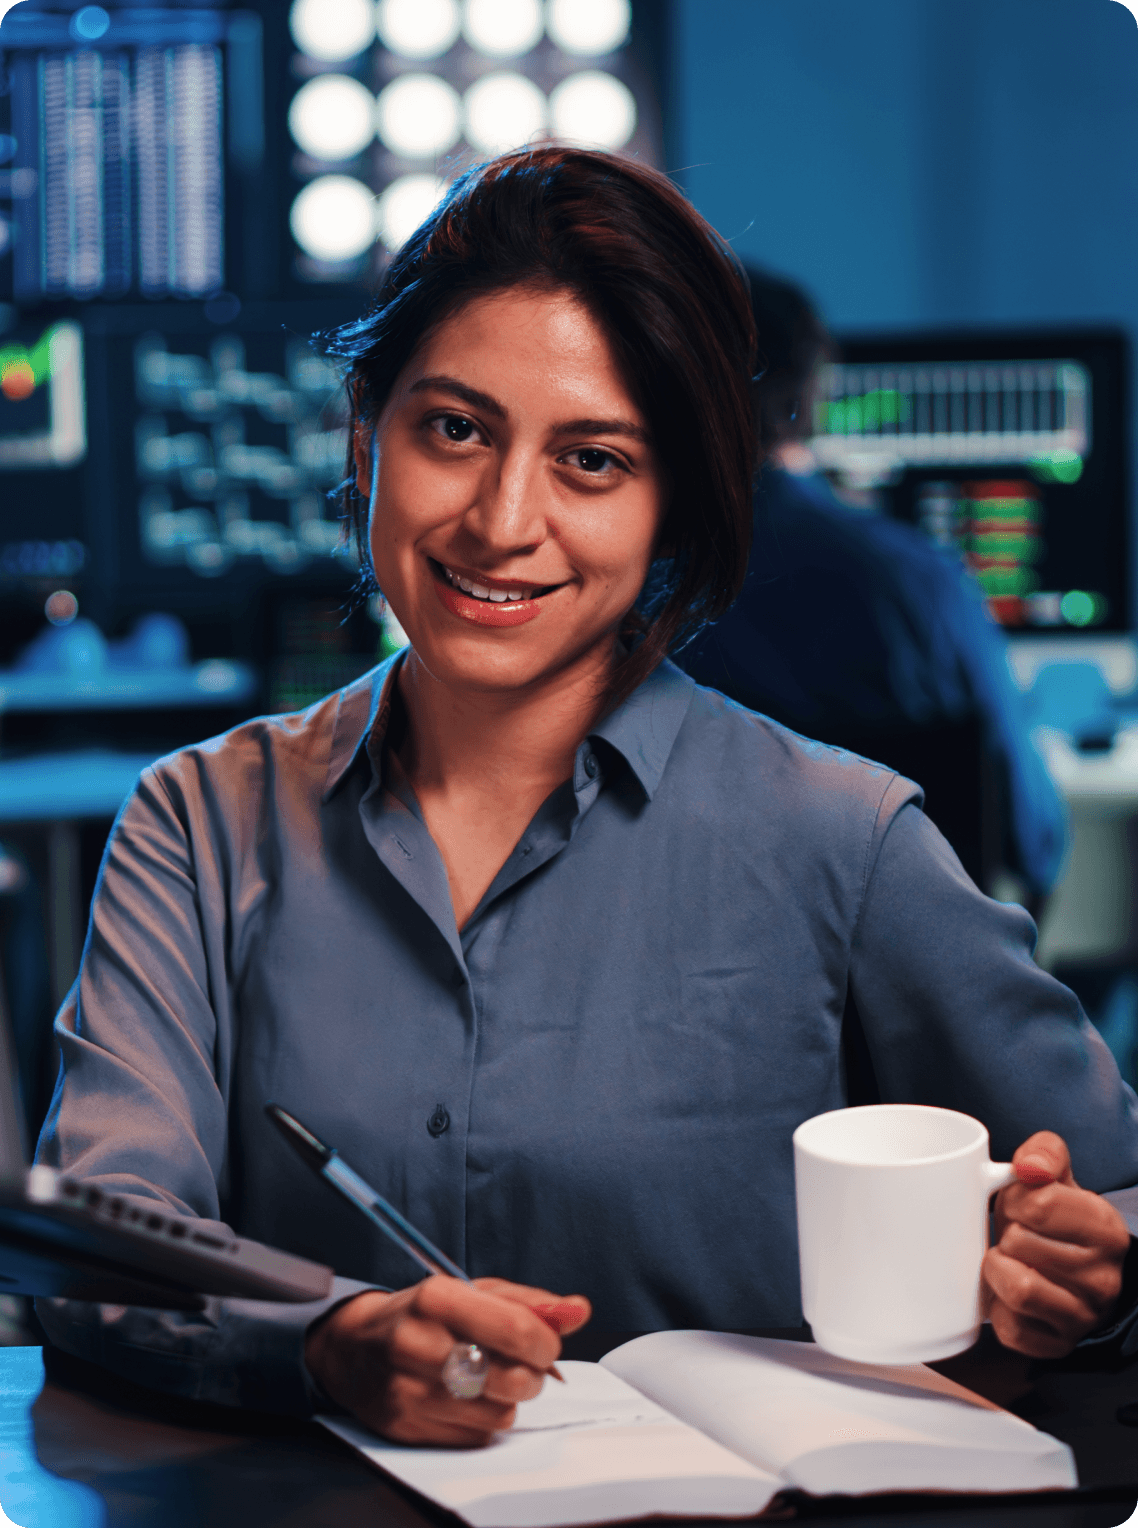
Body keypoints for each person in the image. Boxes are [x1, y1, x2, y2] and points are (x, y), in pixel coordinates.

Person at [34, 149, 1138, 1449]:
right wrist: (328, 1341)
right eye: (454, 429)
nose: (502, 521)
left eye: (593, 461)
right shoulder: (201, 824)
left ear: (674, 505)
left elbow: (1107, 1196)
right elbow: (100, 1240)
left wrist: (1085, 1267)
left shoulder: (849, 839)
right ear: (365, 435)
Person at [681, 270, 1067, 904]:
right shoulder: (922, 582)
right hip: (904, 983)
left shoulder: (633, 594)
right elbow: (1035, 840)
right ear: (802, 400)